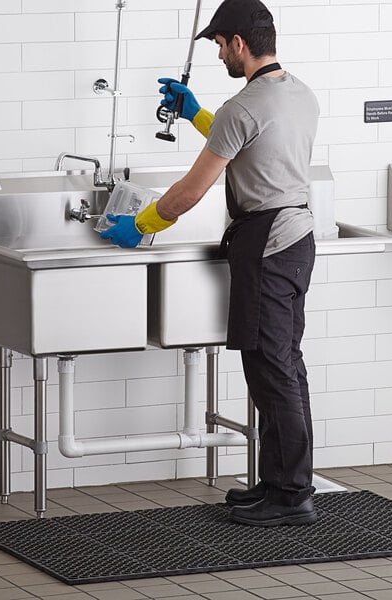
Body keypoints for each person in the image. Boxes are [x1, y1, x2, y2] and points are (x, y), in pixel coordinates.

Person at [101, 0, 319, 527]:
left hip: (267, 245)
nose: (218, 53)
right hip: (296, 239)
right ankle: (278, 483)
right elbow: (246, 145)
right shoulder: (298, 93)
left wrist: (142, 225)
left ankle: (292, 497)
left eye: (219, 44)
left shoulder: (241, 108)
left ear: (238, 44)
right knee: (285, 365)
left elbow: (190, 192)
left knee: (271, 371)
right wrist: (198, 112)